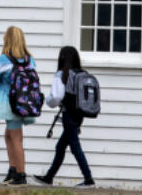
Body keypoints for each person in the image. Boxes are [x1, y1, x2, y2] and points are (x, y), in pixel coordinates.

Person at [33, 46, 95, 188]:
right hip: (79, 114)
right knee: (60, 146)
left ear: (61, 58)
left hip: (68, 115)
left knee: (75, 147)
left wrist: (48, 101)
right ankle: (49, 177)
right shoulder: (82, 73)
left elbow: (56, 97)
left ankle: (88, 179)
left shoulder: (62, 74)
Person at [0, 26, 37, 186]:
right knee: (9, 135)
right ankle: (13, 169)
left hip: (10, 102)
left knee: (16, 138)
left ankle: (20, 174)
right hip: (25, 102)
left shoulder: (4, 59)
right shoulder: (30, 59)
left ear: (7, 40)